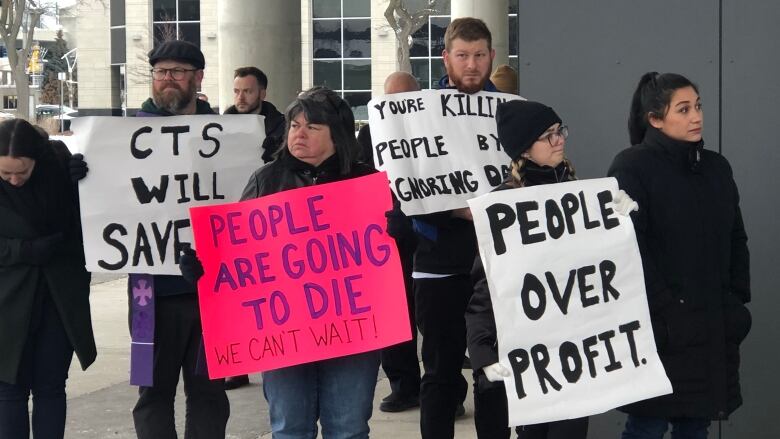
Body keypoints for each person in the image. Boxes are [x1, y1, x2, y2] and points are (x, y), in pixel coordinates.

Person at [181, 87, 381, 438]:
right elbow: (234, 252)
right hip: (284, 330)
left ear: (337, 134)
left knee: (348, 429)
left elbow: (389, 262)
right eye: (293, 125)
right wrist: (203, 268)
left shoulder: (366, 182)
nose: (298, 134)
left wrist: (401, 234)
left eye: (311, 127)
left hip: (353, 330)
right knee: (290, 428)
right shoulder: (266, 180)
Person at [70, 39, 230, 439]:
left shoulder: (228, 138)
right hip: (149, 293)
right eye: (161, 72)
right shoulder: (121, 138)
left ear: (198, 77)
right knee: (152, 393)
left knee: (210, 393)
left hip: (213, 291)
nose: (167, 80)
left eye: (177, 72)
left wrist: (262, 157)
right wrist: (79, 177)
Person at [608, 72, 751, 439]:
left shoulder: (716, 167)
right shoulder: (631, 167)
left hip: (711, 323)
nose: (696, 117)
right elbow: (629, 249)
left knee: (696, 423)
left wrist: (737, 301)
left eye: (698, 106)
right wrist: (666, 314)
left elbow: (736, 235)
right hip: (660, 329)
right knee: (648, 424)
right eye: (683, 109)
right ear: (655, 119)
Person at [465, 100, 591, 439]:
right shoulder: (502, 206)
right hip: (526, 353)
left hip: (574, 352)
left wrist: (621, 221)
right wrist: (483, 357)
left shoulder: (582, 197)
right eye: (548, 136)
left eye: (559, 131)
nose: (559, 140)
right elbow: (485, 290)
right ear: (524, 148)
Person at [412, 17, 497, 439]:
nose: (471, 64)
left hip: (497, 263)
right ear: (445, 57)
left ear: (492, 57)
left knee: (493, 374)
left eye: (479, 55)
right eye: (462, 55)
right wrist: (452, 211)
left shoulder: (512, 112)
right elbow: (406, 194)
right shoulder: (417, 116)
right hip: (439, 263)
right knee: (441, 372)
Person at [0, 119, 96, 438]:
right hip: (8, 301)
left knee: (51, 386)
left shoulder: (59, 166)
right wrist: (23, 251)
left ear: (37, 163)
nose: (14, 180)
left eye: (22, 171)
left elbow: (88, 221)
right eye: (5, 173)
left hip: (58, 297)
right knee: (9, 387)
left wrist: (86, 183)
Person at [357, 71, 422, 413]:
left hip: (430, 236)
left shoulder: (432, 128)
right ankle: (404, 385)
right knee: (393, 314)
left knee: (435, 321)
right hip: (385, 234)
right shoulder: (369, 134)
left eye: (403, 98)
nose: (395, 106)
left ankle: (447, 389)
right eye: (389, 99)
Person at [224, 66, 286, 165]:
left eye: (247, 91)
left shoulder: (283, 129)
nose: (240, 98)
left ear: (262, 94)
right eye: (236, 91)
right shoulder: (220, 128)